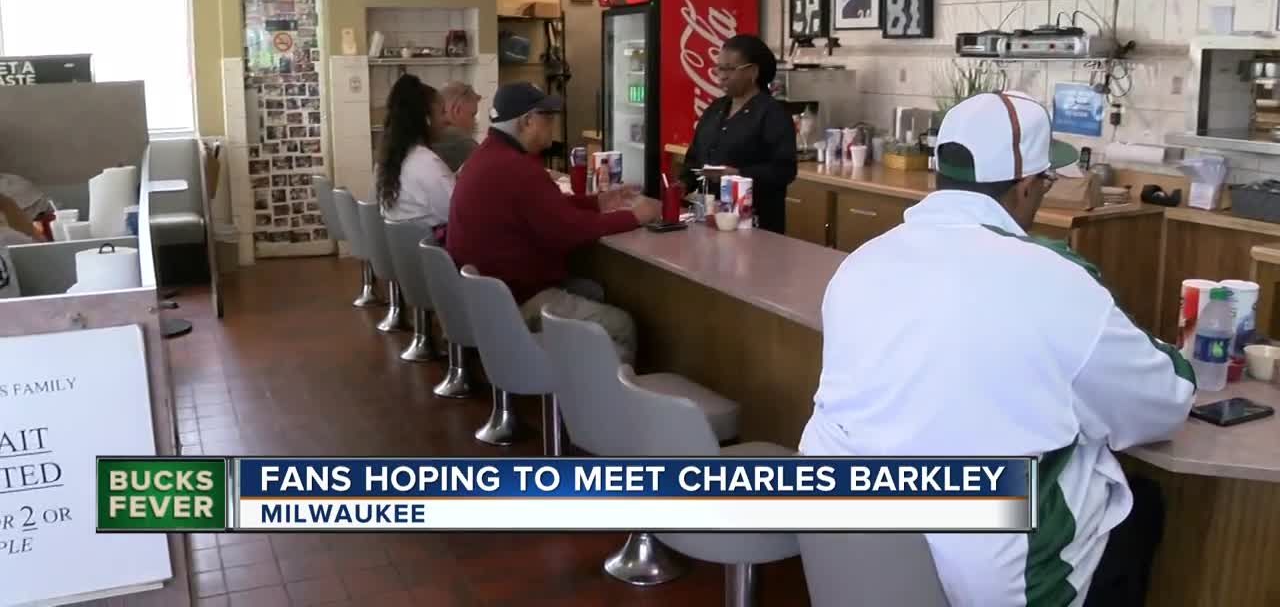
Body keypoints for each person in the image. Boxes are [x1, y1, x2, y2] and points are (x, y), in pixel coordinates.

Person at [799, 91, 1196, 607]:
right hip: (985, 564)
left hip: (841, 529)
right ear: (1028, 186)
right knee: (1142, 508)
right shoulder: (1055, 279)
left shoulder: (863, 260)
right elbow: (1160, 406)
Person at [447, 81, 660, 364]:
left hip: (490, 297)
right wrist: (636, 216)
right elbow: (569, 230)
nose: (552, 126)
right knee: (621, 325)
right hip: (517, 301)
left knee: (592, 290)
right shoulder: (517, 168)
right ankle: (598, 405)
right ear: (527, 121)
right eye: (547, 118)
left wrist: (600, 202)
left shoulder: (488, 156)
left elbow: (545, 209)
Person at [680, 34, 796, 234]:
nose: (721, 75)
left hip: (754, 223)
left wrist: (737, 175)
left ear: (752, 72)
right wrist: (682, 183)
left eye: (729, 69)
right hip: (709, 217)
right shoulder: (716, 108)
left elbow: (784, 170)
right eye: (719, 68)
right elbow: (694, 158)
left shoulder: (773, 114)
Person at [376, 74, 454, 227]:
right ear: (427, 119)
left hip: (405, 249)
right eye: (442, 112)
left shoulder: (389, 159)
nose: (447, 120)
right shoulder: (426, 162)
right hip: (433, 248)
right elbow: (459, 212)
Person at [432, 80, 482, 173]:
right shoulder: (463, 143)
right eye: (472, 115)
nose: (475, 122)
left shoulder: (428, 136)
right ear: (457, 111)